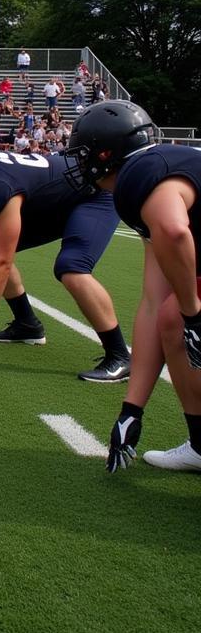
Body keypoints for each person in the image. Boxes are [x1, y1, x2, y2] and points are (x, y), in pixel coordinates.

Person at [0, 119, 130, 382]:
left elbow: (2, 261)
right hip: (54, 202)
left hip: (92, 195)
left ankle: (119, 355)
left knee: (72, 268)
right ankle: (27, 325)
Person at [65, 101, 201, 472]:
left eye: (83, 152)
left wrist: (194, 315)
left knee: (179, 316)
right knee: (171, 318)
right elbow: (154, 304)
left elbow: (174, 230)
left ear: (105, 152)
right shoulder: (159, 166)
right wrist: (131, 408)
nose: (80, 162)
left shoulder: (137, 174)